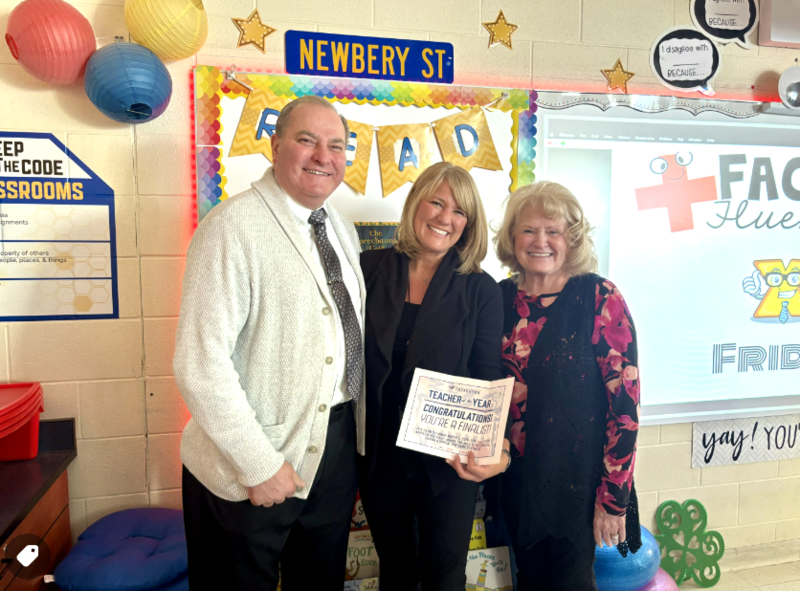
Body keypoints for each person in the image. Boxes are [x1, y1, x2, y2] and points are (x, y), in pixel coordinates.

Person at [173, 95, 366, 591]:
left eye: (337, 145)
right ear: (276, 146)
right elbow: (200, 364)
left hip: (332, 448)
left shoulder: (340, 228)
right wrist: (257, 463)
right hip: (248, 460)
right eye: (307, 140)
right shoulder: (231, 228)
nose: (324, 156)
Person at [358, 162, 508, 591]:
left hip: (449, 462)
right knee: (396, 570)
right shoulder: (368, 268)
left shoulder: (481, 289)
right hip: (379, 456)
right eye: (437, 202)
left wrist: (488, 449)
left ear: (469, 224)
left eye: (459, 211)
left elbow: (486, 377)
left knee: (444, 575)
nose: (446, 218)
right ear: (415, 204)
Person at [492, 181, 641, 591]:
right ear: (512, 238)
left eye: (553, 230)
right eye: (528, 230)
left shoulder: (598, 297)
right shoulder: (497, 299)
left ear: (571, 239)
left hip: (576, 484)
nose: (540, 241)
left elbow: (624, 409)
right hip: (510, 480)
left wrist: (614, 500)